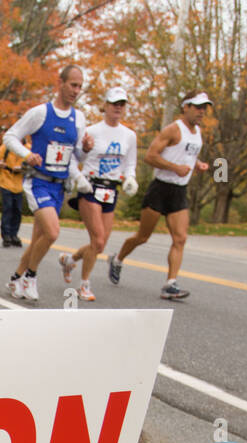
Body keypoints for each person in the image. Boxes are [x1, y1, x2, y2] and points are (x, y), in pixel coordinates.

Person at [1, 65, 94, 302]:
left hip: (59, 185)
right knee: (52, 233)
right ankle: (30, 276)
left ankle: (15, 278)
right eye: (73, 84)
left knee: (38, 242)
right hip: (38, 182)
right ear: (60, 83)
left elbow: (76, 157)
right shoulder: (41, 113)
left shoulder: (79, 118)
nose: (76, 90)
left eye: (80, 86)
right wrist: (26, 154)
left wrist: (85, 149)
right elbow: (10, 136)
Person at [108, 91, 213, 300]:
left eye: (205, 108)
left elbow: (189, 155)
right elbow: (150, 156)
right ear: (186, 107)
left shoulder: (198, 132)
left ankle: (170, 284)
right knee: (142, 237)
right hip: (160, 189)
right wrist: (175, 167)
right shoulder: (173, 130)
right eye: (198, 107)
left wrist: (197, 164)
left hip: (179, 191)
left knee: (180, 239)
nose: (202, 111)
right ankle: (117, 259)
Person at [58, 88, 139, 301]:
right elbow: (74, 157)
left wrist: (130, 178)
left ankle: (69, 260)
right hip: (90, 188)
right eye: (114, 103)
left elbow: (130, 164)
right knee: (98, 239)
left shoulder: (129, 135)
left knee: (100, 245)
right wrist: (79, 178)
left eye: (122, 104)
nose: (118, 108)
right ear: (105, 105)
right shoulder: (92, 131)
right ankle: (84, 284)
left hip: (111, 189)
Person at [0, 137, 29, 247]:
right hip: (6, 181)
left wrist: (24, 168)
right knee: (8, 208)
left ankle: (14, 235)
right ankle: (6, 235)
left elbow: (33, 163)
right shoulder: (6, 147)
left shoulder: (28, 148)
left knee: (17, 210)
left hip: (19, 183)